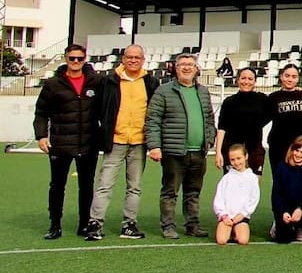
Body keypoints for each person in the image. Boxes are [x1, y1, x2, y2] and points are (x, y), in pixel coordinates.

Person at [85, 43, 159, 242]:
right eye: (129, 57)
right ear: (123, 59)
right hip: (115, 141)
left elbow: (155, 113)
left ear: (143, 60)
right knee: (105, 185)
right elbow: (98, 109)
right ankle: (95, 223)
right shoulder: (109, 81)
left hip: (139, 143)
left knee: (134, 187)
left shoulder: (151, 83)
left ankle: (129, 225)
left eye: (137, 57)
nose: (133, 60)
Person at [34, 43, 103, 240]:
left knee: (86, 186)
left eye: (79, 59)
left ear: (85, 59)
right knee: (57, 186)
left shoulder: (96, 82)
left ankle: (84, 224)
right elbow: (41, 113)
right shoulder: (53, 84)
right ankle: (55, 225)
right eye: (72, 58)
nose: (75, 62)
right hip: (60, 143)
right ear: (66, 58)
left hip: (88, 143)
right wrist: (41, 136)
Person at [146, 53, 216, 240]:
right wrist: (154, 145)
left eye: (190, 65)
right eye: (182, 64)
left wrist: (209, 139)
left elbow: (209, 118)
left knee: (193, 191)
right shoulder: (164, 91)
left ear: (196, 69)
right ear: (175, 68)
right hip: (174, 151)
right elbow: (153, 119)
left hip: (199, 152)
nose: (186, 68)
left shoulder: (202, 91)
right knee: (170, 191)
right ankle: (168, 226)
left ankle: (192, 225)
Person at [215, 68, 270, 178]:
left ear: (255, 81)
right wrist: (218, 152)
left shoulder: (263, 99)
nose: (246, 82)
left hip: (255, 149)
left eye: (250, 79)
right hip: (232, 149)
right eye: (243, 78)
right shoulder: (229, 102)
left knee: (253, 186)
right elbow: (222, 128)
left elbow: (273, 112)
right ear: (238, 80)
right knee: (233, 187)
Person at [266, 64, 302, 180]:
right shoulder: (273, 97)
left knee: (299, 181)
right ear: (281, 77)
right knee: (279, 180)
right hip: (278, 146)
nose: (290, 79)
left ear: (298, 79)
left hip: (299, 147)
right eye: (287, 76)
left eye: (294, 76)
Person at [211, 143, 259, 246]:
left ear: (245, 157)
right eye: (233, 160)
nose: (236, 162)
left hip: (241, 217)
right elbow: (219, 199)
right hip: (226, 218)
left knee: (243, 240)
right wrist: (223, 216)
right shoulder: (226, 178)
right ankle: (229, 230)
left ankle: (236, 230)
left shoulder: (252, 178)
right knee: (221, 240)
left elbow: (253, 199)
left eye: (239, 158)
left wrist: (242, 214)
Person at [270, 135, 302, 243]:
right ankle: (278, 224)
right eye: (297, 150)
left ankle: (301, 227)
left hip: (301, 209)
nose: (299, 155)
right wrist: (283, 211)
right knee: (283, 239)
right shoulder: (281, 167)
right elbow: (276, 193)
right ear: (292, 149)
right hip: (286, 209)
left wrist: (300, 208)